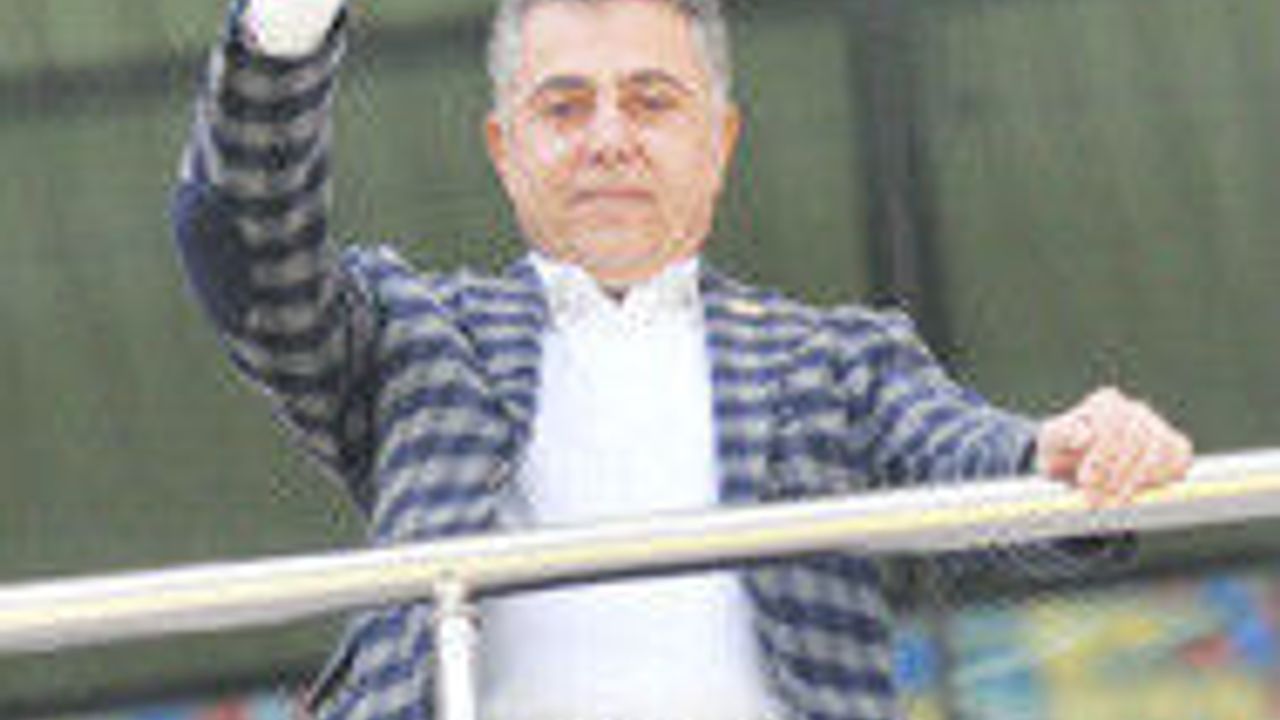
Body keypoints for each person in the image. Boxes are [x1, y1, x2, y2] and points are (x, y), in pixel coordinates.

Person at [170, 1, 1194, 719]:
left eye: (651, 101)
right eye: (563, 107)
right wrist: (290, 18)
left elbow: (972, 461)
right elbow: (238, 242)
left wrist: (1064, 454)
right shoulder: (412, 335)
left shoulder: (835, 359)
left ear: (720, 141)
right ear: (502, 148)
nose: (608, 138)